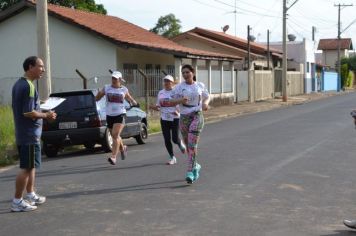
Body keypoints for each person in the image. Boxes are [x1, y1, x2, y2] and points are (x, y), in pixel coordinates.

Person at [11, 56, 57, 212]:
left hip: (25, 133)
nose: (43, 69)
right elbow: (28, 112)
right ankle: (17, 201)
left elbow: (29, 107)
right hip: (29, 134)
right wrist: (47, 115)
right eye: (40, 66)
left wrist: (41, 106)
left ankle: (30, 194)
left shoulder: (20, 84)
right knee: (26, 167)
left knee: (31, 166)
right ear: (30, 67)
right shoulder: (29, 87)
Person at [171, 64, 210, 184]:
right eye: (183, 73)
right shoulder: (178, 87)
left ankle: (189, 171)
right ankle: (196, 166)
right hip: (184, 118)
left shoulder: (199, 85)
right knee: (188, 146)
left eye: (187, 72)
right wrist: (180, 101)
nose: (185, 74)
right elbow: (171, 101)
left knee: (192, 145)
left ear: (193, 73)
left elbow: (207, 97)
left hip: (197, 116)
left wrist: (205, 103)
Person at [96, 71, 138, 165]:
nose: (113, 80)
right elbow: (97, 98)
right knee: (116, 136)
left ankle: (113, 157)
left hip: (120, 114)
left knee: (115, 135)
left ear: (120, 80)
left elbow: (129, 98)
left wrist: (135, 103)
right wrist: (98, 95)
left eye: (115, 79)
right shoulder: (107, 88)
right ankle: (123, 148)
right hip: (110, 115)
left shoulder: (124, 89)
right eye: (112, 78)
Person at [149, 75, 186, 165]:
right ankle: (172, 157)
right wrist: (153, 107)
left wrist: (178, 111)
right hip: (164, 118)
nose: (166, 83)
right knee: (166, 139)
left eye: (168, 81)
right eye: (165, 81)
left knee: (174, 138)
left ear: (172, 83)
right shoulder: (161, 93)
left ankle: (180, 143)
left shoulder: (176, 92)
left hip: (175, 118)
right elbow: (158, 106)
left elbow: (182, 103)